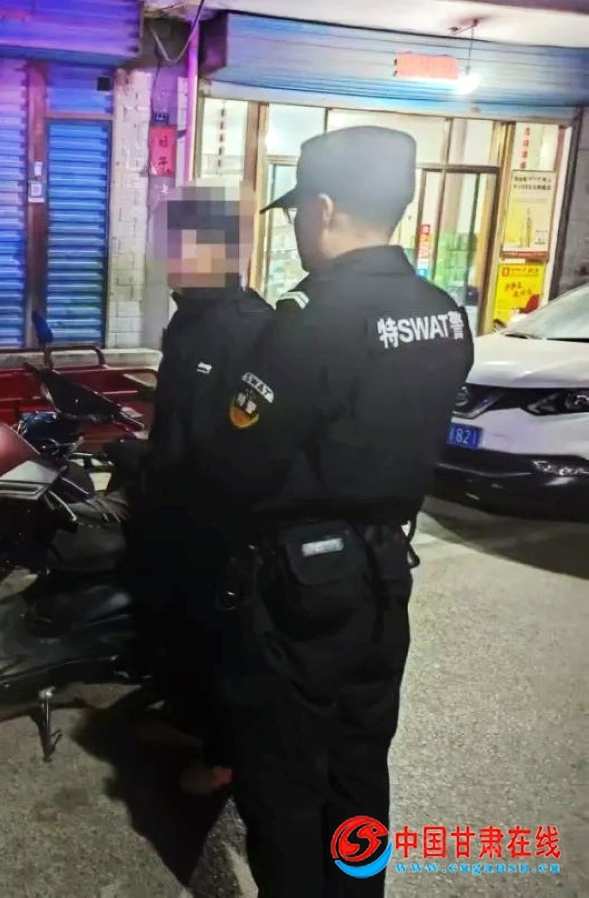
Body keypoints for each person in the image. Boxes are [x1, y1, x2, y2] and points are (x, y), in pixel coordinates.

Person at [202, 127, 474, 896]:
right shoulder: (443, 313)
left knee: (285, 780)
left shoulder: (309, 320)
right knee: (360, 765)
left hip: (299, 590)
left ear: (322, 209)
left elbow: (238, 457)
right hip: (386, 573)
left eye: (298, 212)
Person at [135, 182, 273, 795]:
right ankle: (189, 719)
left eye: (174, 243)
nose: (163, 255)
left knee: (222, 641)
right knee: (181, 629)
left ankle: (224, 758)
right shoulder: (187, 319)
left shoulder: (253, 329)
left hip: (219, 522)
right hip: (174, 509)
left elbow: (249, 442)